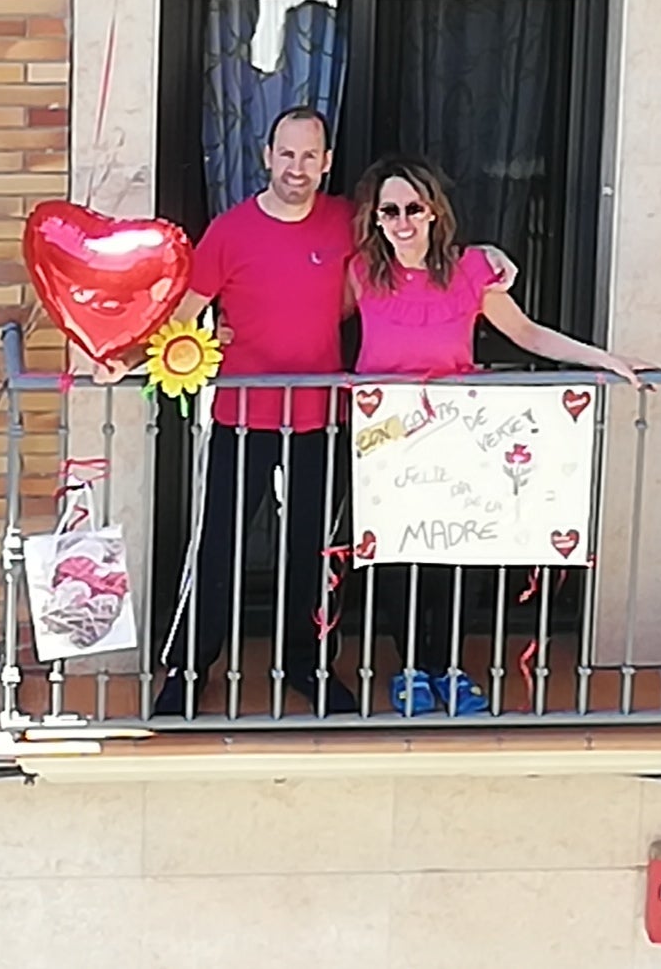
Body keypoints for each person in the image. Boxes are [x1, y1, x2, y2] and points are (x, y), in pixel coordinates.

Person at [95, 109, 515, 717]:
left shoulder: (349, 221)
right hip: (243, 418)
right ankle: (187, 671)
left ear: (326, 161)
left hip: (322, 420)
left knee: (311, 554)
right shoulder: (230, 232)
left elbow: (415, 256)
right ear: (267, 155)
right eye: (287, 155)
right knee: (217, 547)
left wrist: (495, 255)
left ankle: (308, 667)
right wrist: (127, 358)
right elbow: (184, 315)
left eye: (310, 156)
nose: (298, 168)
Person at [349, 157, 647, 716]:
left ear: (434, 211)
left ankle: (448, 666)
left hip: (459, 434)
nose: (403, 221)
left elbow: (528, 333)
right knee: (395, 555)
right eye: (390, 210)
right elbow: (307, 323)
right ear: (377, 219)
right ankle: (412, 666)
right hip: (385, 440)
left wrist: (602, 358)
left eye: (414, 207)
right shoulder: (361, 272)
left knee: (459, 553)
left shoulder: (470, 272)